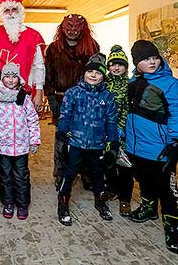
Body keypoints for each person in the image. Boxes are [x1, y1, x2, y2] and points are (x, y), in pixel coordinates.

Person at [126, 40, 178, 254]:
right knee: (143, 179)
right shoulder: (134, 81)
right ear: (137, 63)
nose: (152, 61)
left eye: (154, 57)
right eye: (145, 58)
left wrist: (176, 142)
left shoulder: (171, 85)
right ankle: (149, 208)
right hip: (136, 146)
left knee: (166, 189)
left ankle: (173, 227)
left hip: (160, 147)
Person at [56, 53, 119, 226]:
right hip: (76, 142)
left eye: (98, 73)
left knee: (98, 175)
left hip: (97, 144)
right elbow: (65, 115)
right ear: (84, 73)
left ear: (103, 76)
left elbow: (112, 121)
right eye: (90, 71)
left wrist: (112, 143)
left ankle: (100, 201)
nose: (93, 75)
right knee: (69, 174)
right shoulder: (73, 93)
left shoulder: (107, 96)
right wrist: (62, 136)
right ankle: (62, 203)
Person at [44, 14, 100, 189]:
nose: (72, 32)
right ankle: (60, 173)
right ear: (62, 28)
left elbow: (98, 73)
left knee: (86, 136)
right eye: (69, 28)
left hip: (87, 100)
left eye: (76, 29)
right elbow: (49, 74)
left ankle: (86, 173)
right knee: (61, 139)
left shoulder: (93, 47)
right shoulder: (53, 48)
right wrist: (51, 97)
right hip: (60, 99)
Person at [0, 63, 41, 220]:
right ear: (3, 78)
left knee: (21, 176)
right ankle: (8, 203)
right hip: (3, 147)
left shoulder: (23, 96)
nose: (11, 80)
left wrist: (34, 141)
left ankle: (23, 204)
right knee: (5, 176)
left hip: (21, 146)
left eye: (14, 77)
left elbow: (32, 119)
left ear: (19, 78)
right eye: (7, 77)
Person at [0, 0, 46, 111]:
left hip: (25, 93)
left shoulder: (33, 35)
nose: (11, 14)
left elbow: (39, 66)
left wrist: (39, 91)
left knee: (24, 128)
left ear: (20, 12)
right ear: (2, 13)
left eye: (15, 9)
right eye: (7, 10)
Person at [103, 45, 132, 215]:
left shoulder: (130, 85)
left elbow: (129, 109)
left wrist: (120, 126)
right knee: (108, 164)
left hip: (122, 133)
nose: (116, 67)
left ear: (125, 66)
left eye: (120, 64)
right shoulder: (103, 83)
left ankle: (125, 199)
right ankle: (112, 190)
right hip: (105, 132)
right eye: (113, 64)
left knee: (125, 167)